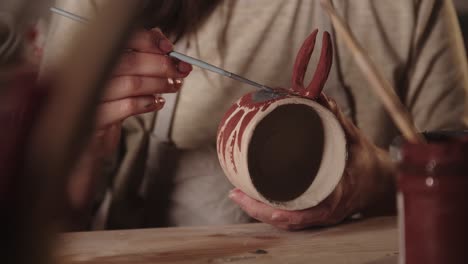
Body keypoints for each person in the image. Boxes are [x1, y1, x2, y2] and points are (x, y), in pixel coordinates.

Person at [39, 0, 468, 230]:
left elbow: (459, 190)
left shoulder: (408, 7)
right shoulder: (104, 9)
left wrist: (376, 180)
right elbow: (43, 227)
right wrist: (82, 149)